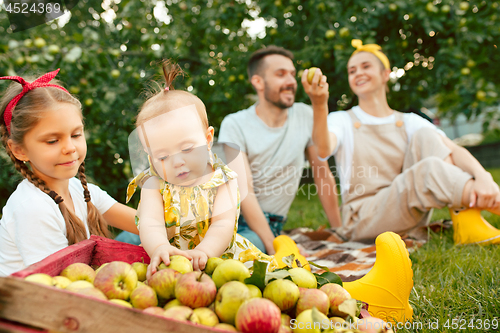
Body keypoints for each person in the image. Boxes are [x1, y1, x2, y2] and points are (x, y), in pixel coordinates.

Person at [312, 39, 500, 245]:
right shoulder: (342, 120)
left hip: (406, 207)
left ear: (386, 74)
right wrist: (320, 104)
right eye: (352, 70)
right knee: (427, 170)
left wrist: (483, 177)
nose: (358, 73)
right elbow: (323, 149)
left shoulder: (408, 121)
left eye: (366, 66)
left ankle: (468, 217)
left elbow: (454, 150)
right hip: (363, 219)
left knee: (427, 136)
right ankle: (484, 208)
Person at [125, 61, 276, 279]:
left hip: (220, 259)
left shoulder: (222, 179)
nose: (177, 161)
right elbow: (150, 222)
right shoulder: (154, 185)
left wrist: (204, 252)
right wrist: (159, 247)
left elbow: (223, 224)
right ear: (151, 158)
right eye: (163, 156)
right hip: (170, 260)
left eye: (186, 148)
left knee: (258, 280)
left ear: (207, 140)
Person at [0, 70, 138, 277]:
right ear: (19, 150)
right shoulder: (33, 208)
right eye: (52, 141)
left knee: (143, 237)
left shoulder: (80, 189)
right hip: (32, 300)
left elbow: (143, 223)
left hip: (75, 281)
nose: (70, 148)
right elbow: (60, 286)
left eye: (75, 135)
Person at [218, 45, 342, 255]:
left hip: (263, 226)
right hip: (229, 215)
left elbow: (322, 174)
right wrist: (274, 248)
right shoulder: (234, 124)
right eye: (280, 74)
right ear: (258, 81)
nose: (291, 82)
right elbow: (243, 190)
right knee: (154, 237)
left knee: (235, 250)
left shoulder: (305, 115)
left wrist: (339, 231)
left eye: (293, 74)